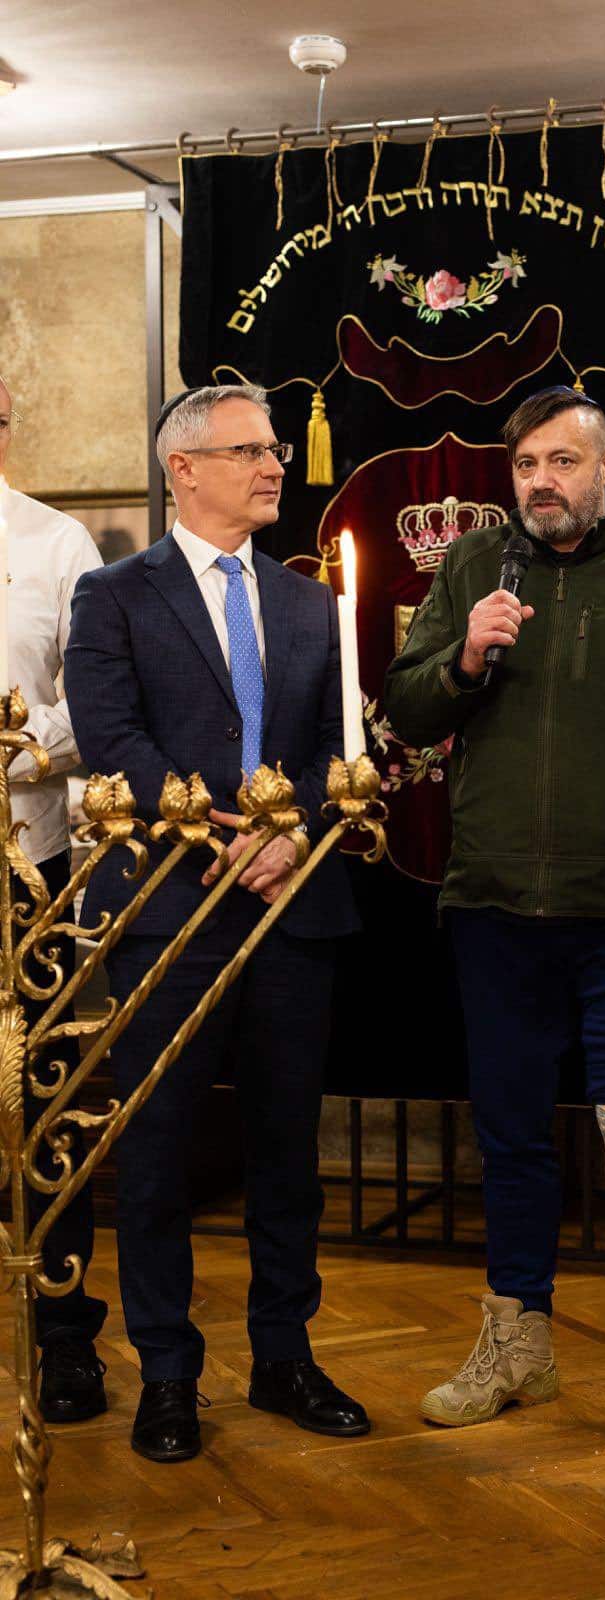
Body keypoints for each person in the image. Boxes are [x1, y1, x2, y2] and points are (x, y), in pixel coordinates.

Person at [383, 385, 605, 1443]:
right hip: (494, 904)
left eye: (563, 461)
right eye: (526, 464)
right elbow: (405, 710)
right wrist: (464, 655)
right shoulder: (471, 567)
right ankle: (518, 1342)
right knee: (508, 1134)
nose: (542, 481)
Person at [64, 384, 366, 1463]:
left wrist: (293, 831)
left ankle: (285, 1355)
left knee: (287, 1148)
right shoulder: (115, 595)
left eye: (275, 449)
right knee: (156, 1152)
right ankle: (167, 1374)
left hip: (291, 902)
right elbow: (111, 737)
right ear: (182, 467)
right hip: (166, 909)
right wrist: (219, 832)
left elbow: (342, 748)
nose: (273, 465)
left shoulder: (308, 602)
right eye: (249, 450)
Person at [0, 372, 109, 1424]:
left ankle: (64, 1331)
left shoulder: (55, 542)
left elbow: (98, 696)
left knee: (45, 1103)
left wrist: (21, 746)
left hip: (27, 874)